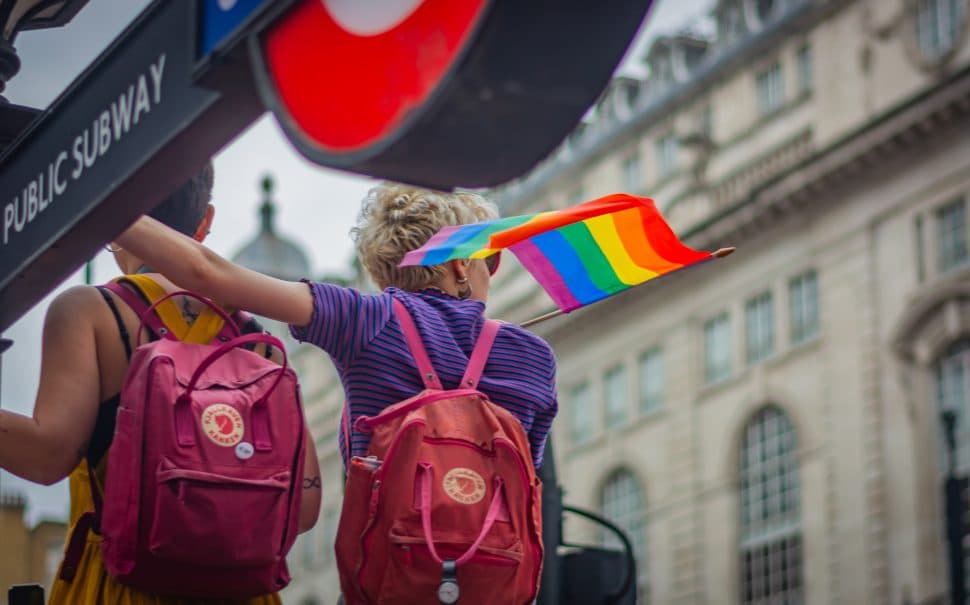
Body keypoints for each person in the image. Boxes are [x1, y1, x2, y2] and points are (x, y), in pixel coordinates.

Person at [0, 163, 320, 604]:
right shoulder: (261, 342)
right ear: (205, 222)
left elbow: (46, 456)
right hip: (244, 592)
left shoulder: (91, 311)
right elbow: (302, 509)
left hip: (123, 586)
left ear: (114, 223)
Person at [114, 183, 559, 470]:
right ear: (461, 265)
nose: (490, 273)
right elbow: (530, 485)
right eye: (491, 260)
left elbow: (208, 273)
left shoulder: (363, 318)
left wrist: (101, 210)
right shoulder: (535, 357)